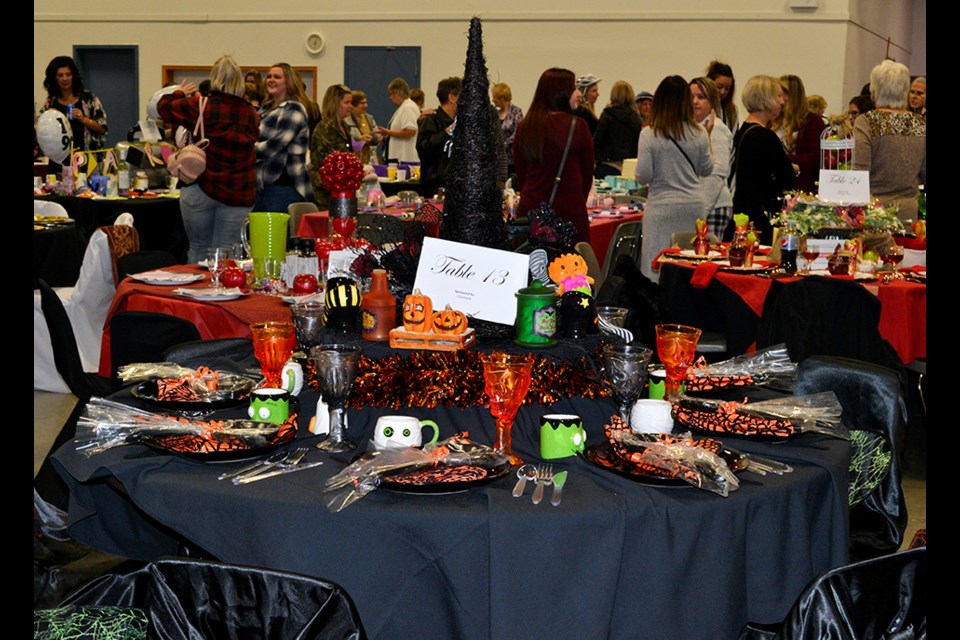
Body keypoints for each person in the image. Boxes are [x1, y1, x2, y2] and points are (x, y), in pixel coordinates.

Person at [157, 55, 259, 264]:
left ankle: (195, 296)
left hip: (200, 186)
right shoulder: (251, 114)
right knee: (228, 254)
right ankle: (224, 292)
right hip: (238, 192)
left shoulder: (201, 106)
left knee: (198, 248)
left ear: (215, 78)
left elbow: (163, 107)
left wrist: (178, 92)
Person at [635, 75, 713, 282]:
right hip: (694, 208)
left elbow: (643, 176)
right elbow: (707, 169)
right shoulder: (700, 133)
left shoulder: (649, 135)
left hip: (661, 208)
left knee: (656, 270)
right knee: (689, 269)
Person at [513, 68, 595, 243]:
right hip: (569, 215)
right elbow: (586, 176)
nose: (579, 93)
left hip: (531, 213)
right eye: (574, 88)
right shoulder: (578, 127)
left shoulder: (525, 126)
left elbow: (521, 174)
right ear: (561, 93)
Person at [727, 75, 797, 244]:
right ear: (766, 99)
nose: (782, 101)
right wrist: (795, 168)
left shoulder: (742, 131)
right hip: (760, 217)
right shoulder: (765, 136)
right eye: (779, 96)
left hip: (742, 212)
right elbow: (787, 177)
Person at [853, 60, 926, 224]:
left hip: (873, 215)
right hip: (908, 215)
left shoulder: (867, 122)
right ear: (905, 91)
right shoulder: (920, 124)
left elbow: (859, 172)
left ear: (874, 91)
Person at [253, 62, 313, 213]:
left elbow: (275, 144)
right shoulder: (264, 108)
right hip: (261, 186)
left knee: (279, 236)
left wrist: (244, 150)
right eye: (269, 76)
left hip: (284, 186)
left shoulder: (294, 108)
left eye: (277, 77)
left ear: (289, 82)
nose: (271, 80)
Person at [40, 56, 108, 172]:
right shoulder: (50, 102)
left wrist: (84, 119)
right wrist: (49, 116)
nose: (65, 79)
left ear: (74, 76)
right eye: (60, 75)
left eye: (68, 74)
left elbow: (103, 128)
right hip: (58, 162)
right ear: (54, 78)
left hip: (86, 161)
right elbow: (40, 130)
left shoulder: (88, 98)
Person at [690, 77, 734, 239]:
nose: (695, 102)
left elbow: (716, 175)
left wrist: (703, 212)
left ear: (712, 102)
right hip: (700, 206)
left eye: (701, 97)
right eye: (691, 97)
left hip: (714, 206)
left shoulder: (717, 130)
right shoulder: (694, 128)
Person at [771, 74, 826, 194]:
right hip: (775, 186)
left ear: (792, 95)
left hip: (800, 188)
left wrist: (782, 158)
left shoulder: (812, 121)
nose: (778, 98)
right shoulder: (773, 120)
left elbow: (816, 157)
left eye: (781, 94)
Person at [308, 84, 357, 208]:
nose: (350, 107)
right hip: (325, 194)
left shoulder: (344, 127)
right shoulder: (325, 128)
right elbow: (322, 164)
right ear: (335, 103)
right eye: (347, 103)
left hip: (342, 191)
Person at [417, 77, 462, 194]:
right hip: (435, 189)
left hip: (456, 188)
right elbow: (424, 149)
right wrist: (448, 132)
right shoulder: (431, 121)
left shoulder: (462, 124)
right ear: (452, 97)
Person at [593, 80, 642, 178]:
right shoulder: (636, 118)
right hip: (629, 166)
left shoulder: (607, 115)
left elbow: (597, 140)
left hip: (608, 164)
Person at [375, 77, 420, 163]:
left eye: (391, 95)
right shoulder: (403, 107)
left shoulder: (408, 107)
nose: (390, 98)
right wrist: (387, 137)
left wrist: (388, 132)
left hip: (405, 158)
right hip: (399, 158)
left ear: (397, 93)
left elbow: (410, 131)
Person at [492, 82, 523, 175]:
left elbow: (518, 133)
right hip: (498, 159)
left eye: (494, 97)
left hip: (512, 159)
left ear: (502, 98)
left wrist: (503, 145)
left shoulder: (516, 112)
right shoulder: (496, 114)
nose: (493, 100)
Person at [344, 90, 380, 164]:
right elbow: (345, 141)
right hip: (353, 160)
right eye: (362, 103)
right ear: (353, 105)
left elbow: (378, 136)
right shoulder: (345, 120)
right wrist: (358, 139)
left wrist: (372, 138)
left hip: (370, 160)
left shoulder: (369, 119)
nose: (365, 106)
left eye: (366, 103)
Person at [706, 60, 739, 132]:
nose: (723, 92)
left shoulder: (732, 112)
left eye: (727, 89)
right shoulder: (700, 107)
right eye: (719, 87)